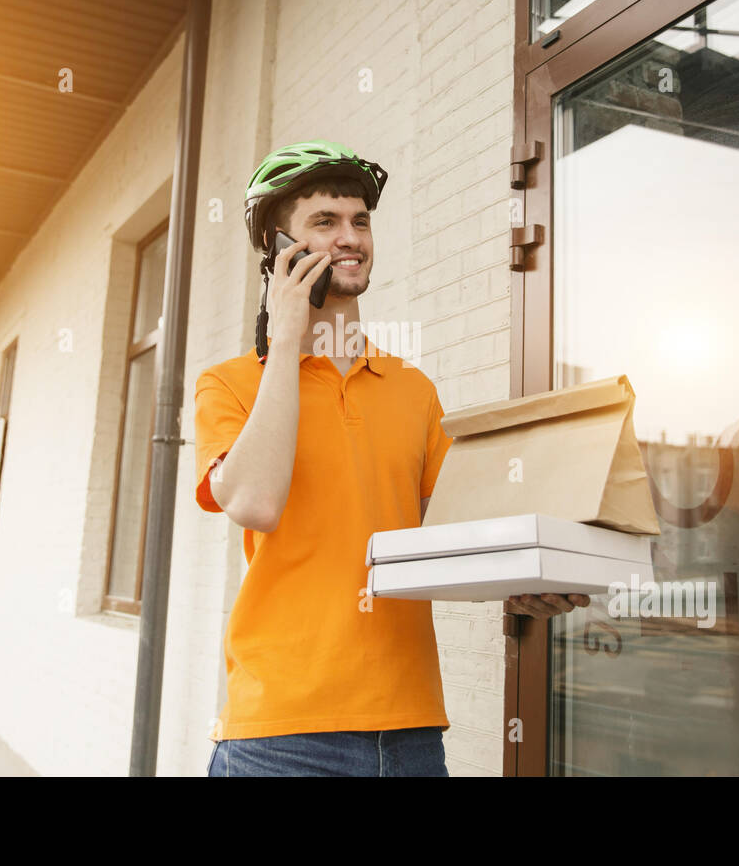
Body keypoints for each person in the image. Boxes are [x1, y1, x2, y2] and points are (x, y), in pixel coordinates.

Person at [194, 140, 583, 777]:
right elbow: (257, 503)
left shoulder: (412, 390)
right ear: (277, 249)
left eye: (361, 221)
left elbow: (451, 532)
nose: (351, 238)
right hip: (280, 738)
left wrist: (526, 577)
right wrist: (287, 340)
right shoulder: (232, 384)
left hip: (410, 734)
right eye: (325, 222)